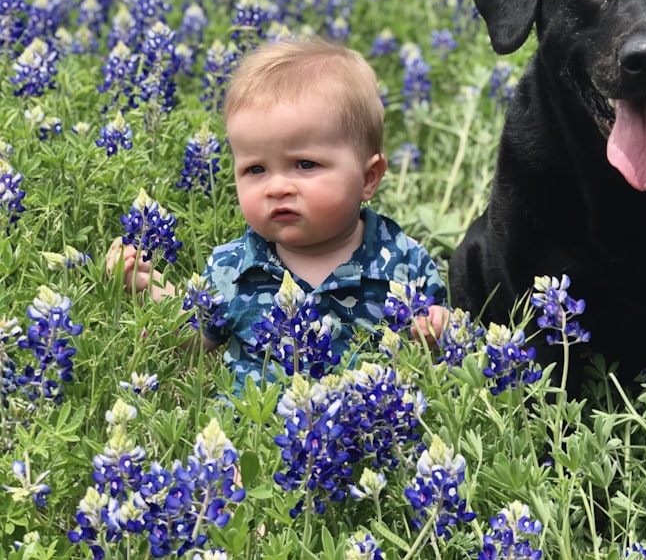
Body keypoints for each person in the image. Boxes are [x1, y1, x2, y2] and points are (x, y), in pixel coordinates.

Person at [107, 37, 450, 391]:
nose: (277, 187)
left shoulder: (402, 260)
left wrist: (437, 330)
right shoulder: (234, 267)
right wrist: (151, 286)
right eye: (256, 169)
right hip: (253, 429)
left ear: (368, 178)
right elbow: (195, 337)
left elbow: (441, 344)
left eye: (305, 164)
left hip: (363, 426)